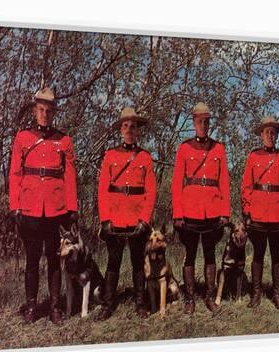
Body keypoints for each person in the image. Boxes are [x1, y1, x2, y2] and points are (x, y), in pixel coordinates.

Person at [8, 87, 78, 325]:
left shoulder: (64, 140)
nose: (45, 114)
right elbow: (16, 173)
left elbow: (69, 176)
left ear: (54, 112)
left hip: (55, 208)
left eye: (49, 110)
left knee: (54, 259)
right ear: (35, 110)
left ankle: (55, 307)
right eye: (41, 109)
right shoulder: (23, 138)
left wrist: (72, 208)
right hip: (29, 207)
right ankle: (31, 307)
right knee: (32, 260)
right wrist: (14, 206)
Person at [95, 107, 157, 321]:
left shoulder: (146, 157)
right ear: (120, 129)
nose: (129, 129)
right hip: (116, 216)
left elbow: (151, 191)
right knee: (113, 261)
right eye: (125, 126)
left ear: (138, 130)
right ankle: (108, 303)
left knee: (138, 261)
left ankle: (140, 303)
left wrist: (145, 220)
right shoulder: (110, 155)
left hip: (137, 217)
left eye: (133, 126)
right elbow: (103, 189)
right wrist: (105, 219)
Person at [171, 102, 231, 314]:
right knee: (189, 254)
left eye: (206, 122)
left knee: (210, 254)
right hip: (190, 210)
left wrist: (225, 212)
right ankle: (189, 298)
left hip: (212, 210)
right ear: (194, 122)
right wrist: (177, 214)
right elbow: (177, 182)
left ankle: (209, 296)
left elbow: (224, 181)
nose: (203, 125)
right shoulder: (184, 148)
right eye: (199, 121)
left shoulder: (219, 148)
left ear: (209, 123)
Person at [241, 116, 279, 309]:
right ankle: (256, 294)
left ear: (277, 136)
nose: (270, 136)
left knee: (277, 255)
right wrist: (247, 211)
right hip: (258, 214)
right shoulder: (253, 157)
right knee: (258, 254)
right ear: (261, 135)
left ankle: (277, 293)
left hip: (278, 214)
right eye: (266, 133)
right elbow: (246, 186)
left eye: (273, 133)